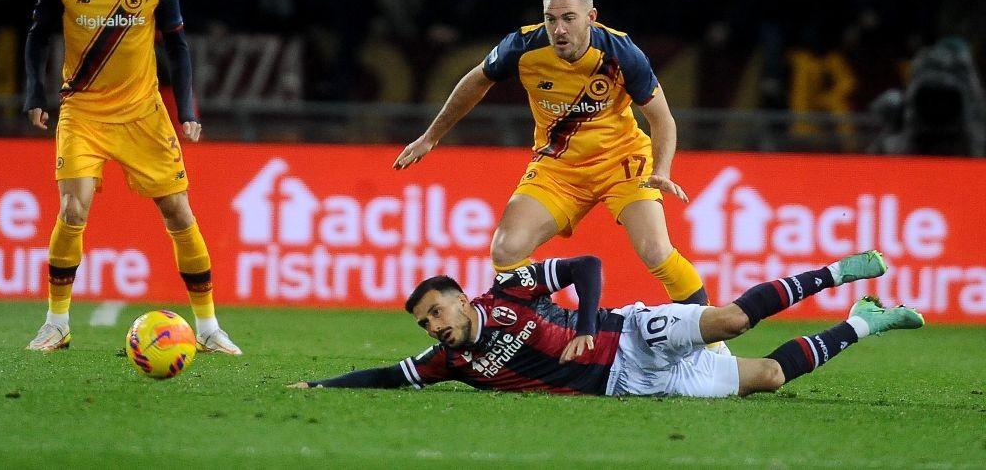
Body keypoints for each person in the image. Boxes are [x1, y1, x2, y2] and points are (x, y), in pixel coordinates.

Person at [394, 0, 709, 310]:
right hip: (558, 168)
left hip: (622, 162)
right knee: (506, 250)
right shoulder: (523, 46)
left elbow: (661, 118)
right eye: (551, 19)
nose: (559, 29)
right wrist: (431, 137)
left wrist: (662, 169)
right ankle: (543, 329)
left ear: (591, 17)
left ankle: (712, 341)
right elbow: (476, 82)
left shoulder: (621, 53)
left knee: (656, 252)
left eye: (569, 18)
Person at [22, 0, 241, 355]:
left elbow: (178, 47)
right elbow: (38, 36)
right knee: (72, 210)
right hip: (83, 111)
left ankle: (207, 328)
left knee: (179, 212)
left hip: (143, 114)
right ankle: (56, 324)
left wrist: (189, 109)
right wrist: (35, 94)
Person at [288, 250, 924, 396]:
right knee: (769, 378)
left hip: (631, 335)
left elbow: (586, 265)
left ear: (458, 297)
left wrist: (589, 324)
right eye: (424, 323)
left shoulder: (510, 291)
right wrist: (319, 388)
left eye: (434, 311)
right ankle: (866, 323)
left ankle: (839, 274)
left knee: (730, 319)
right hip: (632, 388)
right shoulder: (449, 362)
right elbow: (385, 376)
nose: (432, 327)